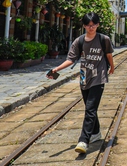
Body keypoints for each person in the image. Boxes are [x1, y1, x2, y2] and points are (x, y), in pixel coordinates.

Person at [47, 12, 115, 154]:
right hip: (84, 77)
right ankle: (96, 132)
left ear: (98, 25)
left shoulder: (104, 39)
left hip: (99, 77)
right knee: (90, 107)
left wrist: (112, 67)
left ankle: (84, 140)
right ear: (84, 26)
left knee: (90, 108)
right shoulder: (79, 41)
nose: (91, 28)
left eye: (94, 25)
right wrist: (57, 69)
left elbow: (109, 55)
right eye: (89, 25)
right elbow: (71, 59)